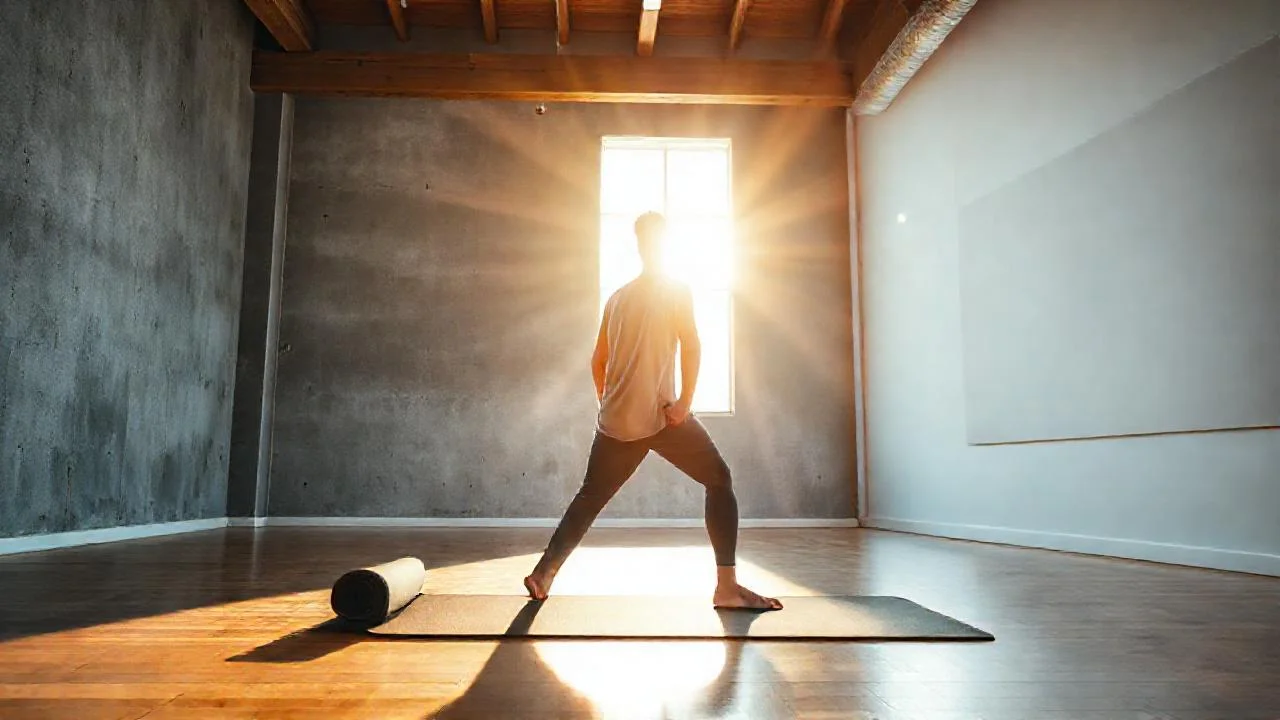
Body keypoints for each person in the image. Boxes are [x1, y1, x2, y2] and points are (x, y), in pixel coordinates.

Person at [523, 212, 783, 611]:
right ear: (662, 245)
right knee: (719, 479)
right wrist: (684, 404)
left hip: (614, 420)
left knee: (590, 497)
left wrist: (610, 403)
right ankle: (727, 588)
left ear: (640, 246)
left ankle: (543, 574)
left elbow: (598, 362)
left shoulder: (617, 298)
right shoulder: (676, 290)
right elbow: (693, 345)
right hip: (661, 418)